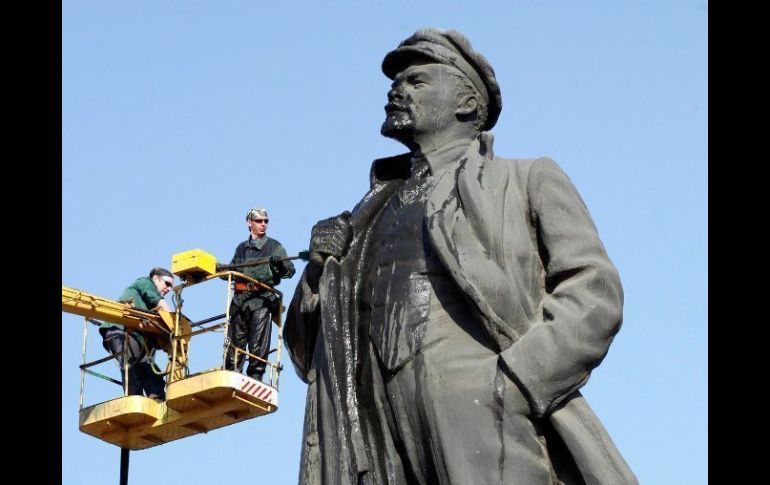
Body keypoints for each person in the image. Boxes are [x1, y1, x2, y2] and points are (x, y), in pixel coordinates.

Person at [285, 28, 637, 484]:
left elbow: (595, 290)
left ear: (467, 103)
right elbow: (306, 355)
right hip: (370, 422)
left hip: (484, 411)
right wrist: (317, 276)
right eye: (398, 82)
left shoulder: (525, 179)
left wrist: (514, 382)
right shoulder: (364, 214)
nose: (397, 90)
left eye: (417, 81)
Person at [222, 207, 296, 382]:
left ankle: (255, 377)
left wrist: (280, 264)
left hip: (261, 301)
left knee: (258, 345)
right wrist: (218, 269)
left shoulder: (274, 247)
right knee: (235, 345)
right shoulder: (242, 248)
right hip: (240, 301)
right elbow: (232, 271)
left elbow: (290, 271)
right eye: (259, 221)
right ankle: (232, 377)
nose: (263, 224)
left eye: (266, 221)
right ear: (250, 223)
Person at [99, 267, 175, 401]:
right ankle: (134, 400)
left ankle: (158, 401)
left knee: (150, 371)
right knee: (130, 364)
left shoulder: (151, 309)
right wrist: (174, 324)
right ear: (156, 278)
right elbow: (156, 298)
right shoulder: (145, 282)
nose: (168, 289)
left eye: (171, 286)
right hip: (120, 330)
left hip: (136, 338)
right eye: (167, 284)